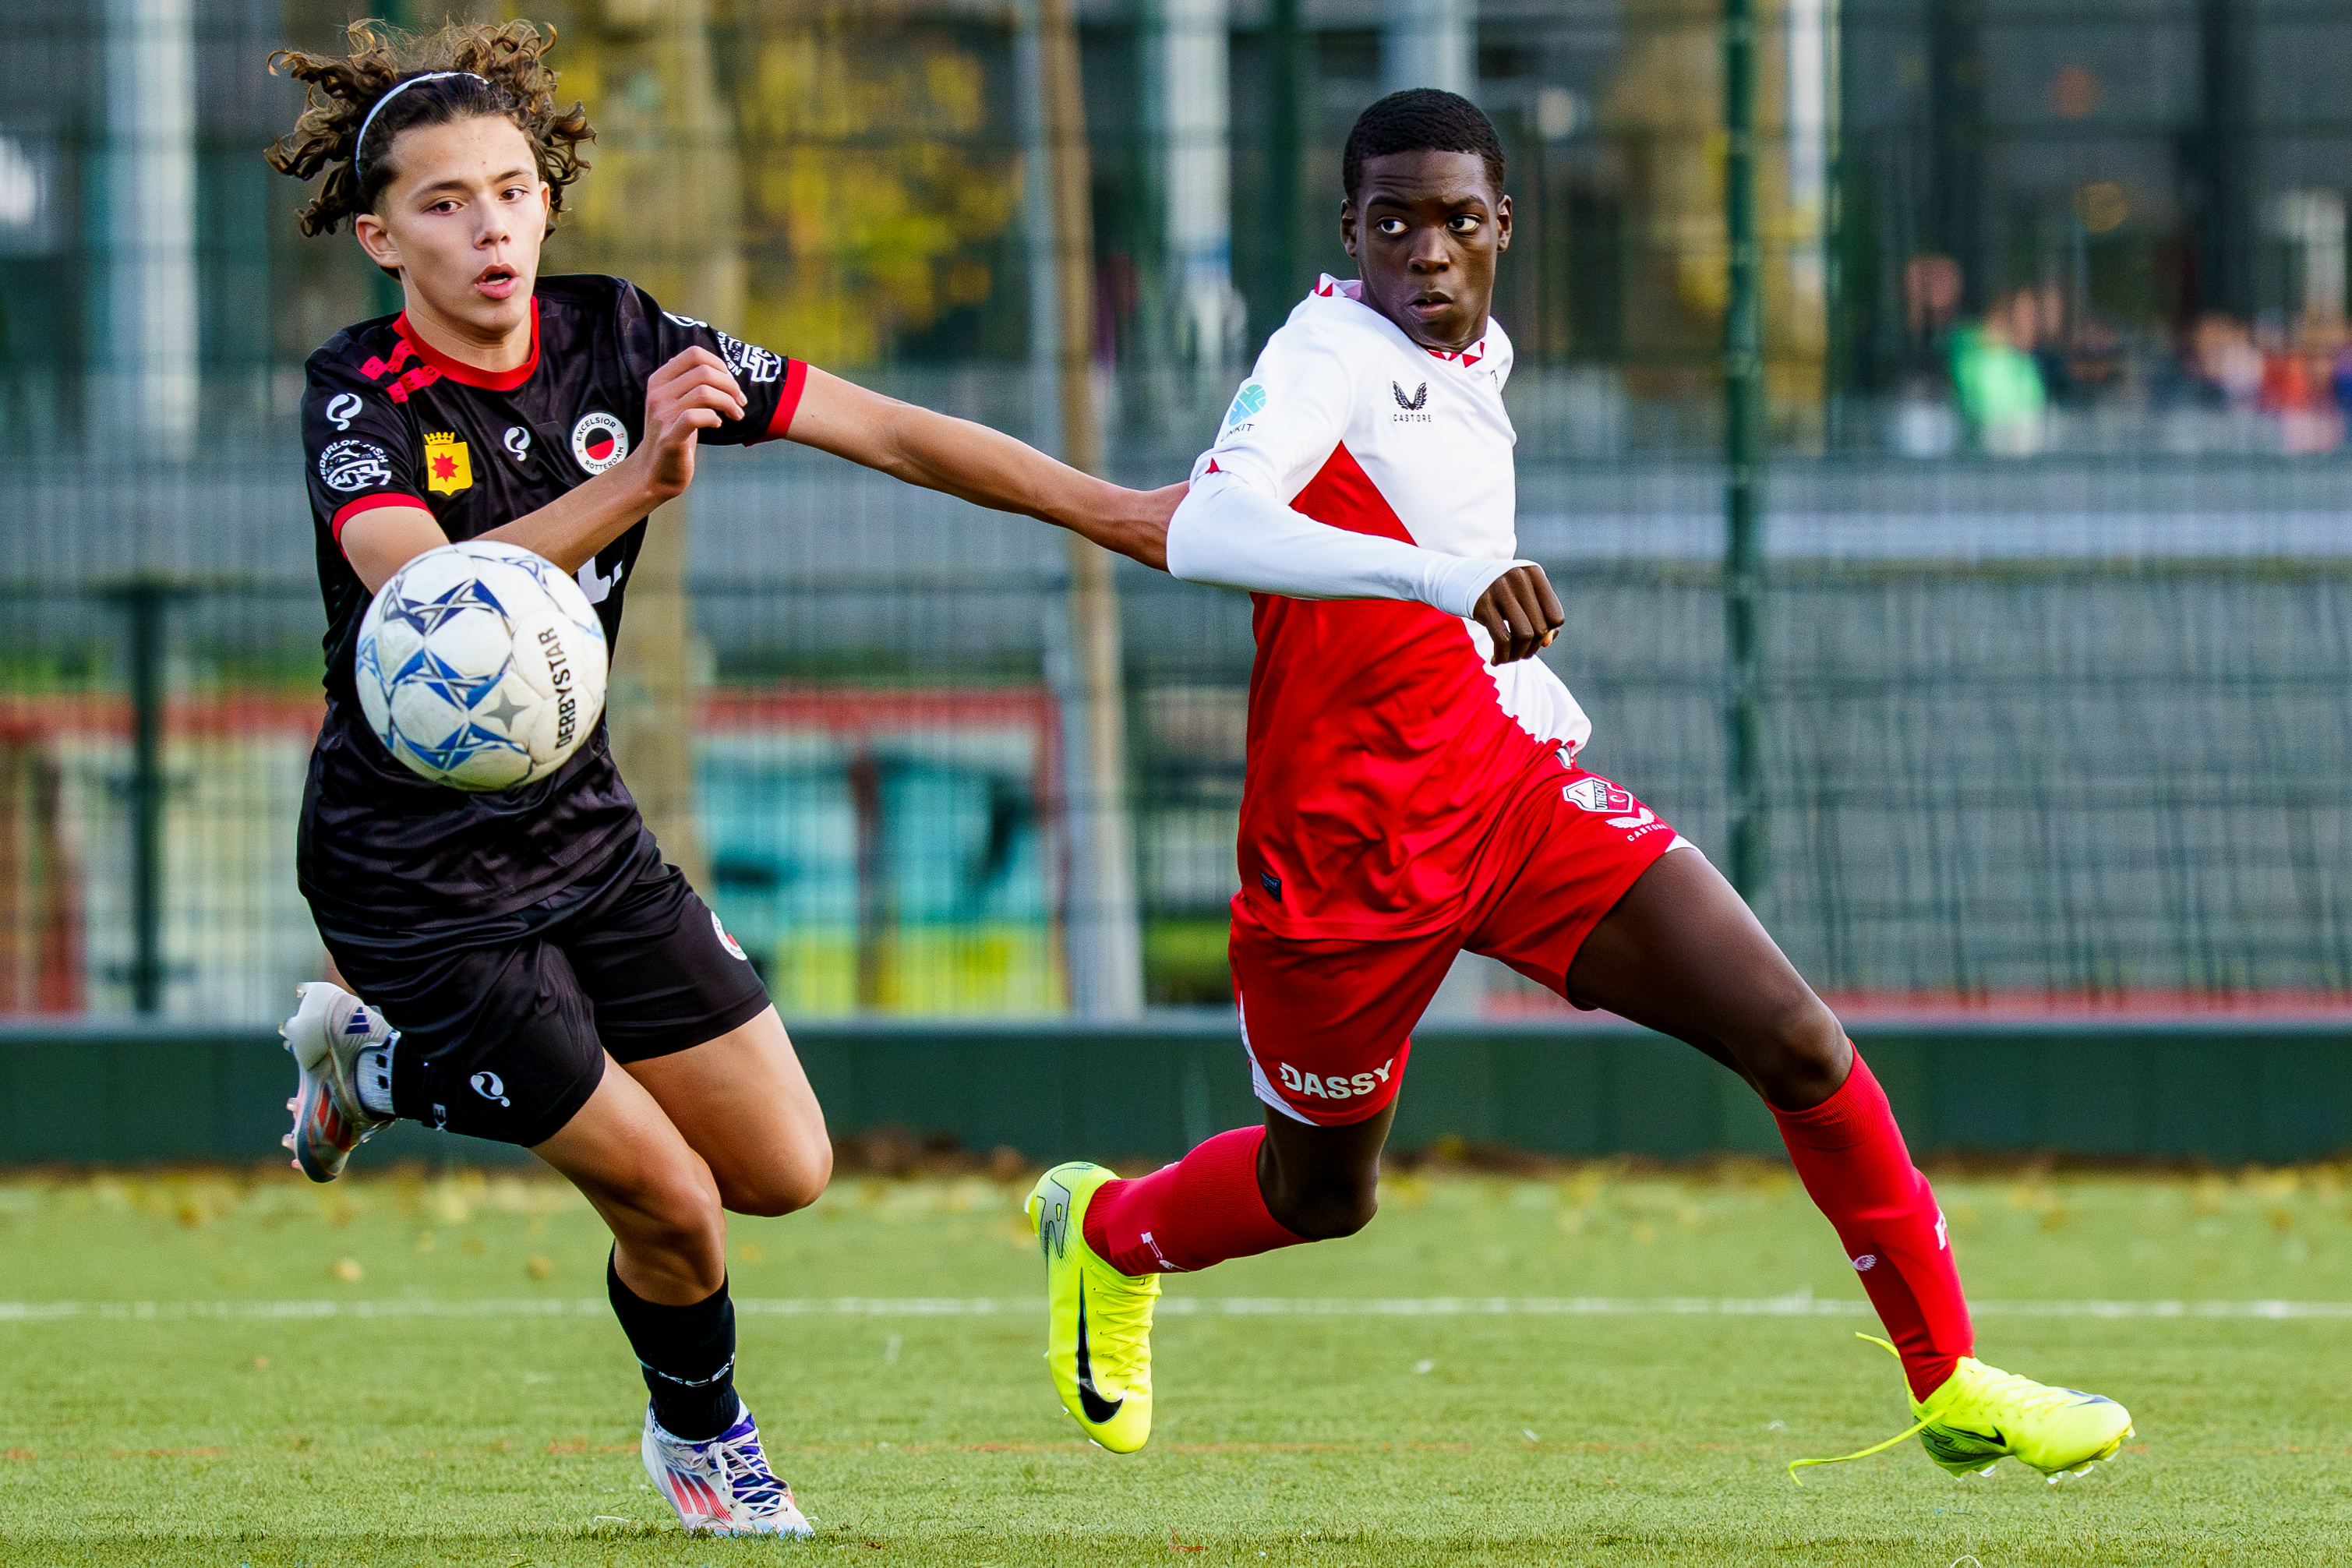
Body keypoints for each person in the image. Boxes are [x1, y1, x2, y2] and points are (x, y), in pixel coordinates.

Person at [1024, 89, 2134, 1485]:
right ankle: (1109, 1232)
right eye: (1392, 224)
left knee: (1793, 1038)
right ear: (1349, 232)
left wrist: (1491, 677)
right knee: (1320, 1194)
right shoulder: (1323, 353)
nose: (1426, 250)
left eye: (1456, 221)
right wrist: (1443, 582)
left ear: (1503, 227)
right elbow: (1219, 518)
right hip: (1343, 859)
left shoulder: (1478, 354)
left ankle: (1951, 1380)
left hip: (1505, 797)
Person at [263, 22, 1176, 1538]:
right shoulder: (361, 393)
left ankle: (379, 1072)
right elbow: (427, 595)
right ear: (379, 237)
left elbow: (889, 428)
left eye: (511, 191)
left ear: (547, 200)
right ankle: (706, 1445)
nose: (488, 228)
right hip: (412, 875)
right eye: (443, 202)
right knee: (674, 1203)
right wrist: (636, 479)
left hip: (581, 831)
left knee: (783, 1166)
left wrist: (1117, 512)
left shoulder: (621, 337)